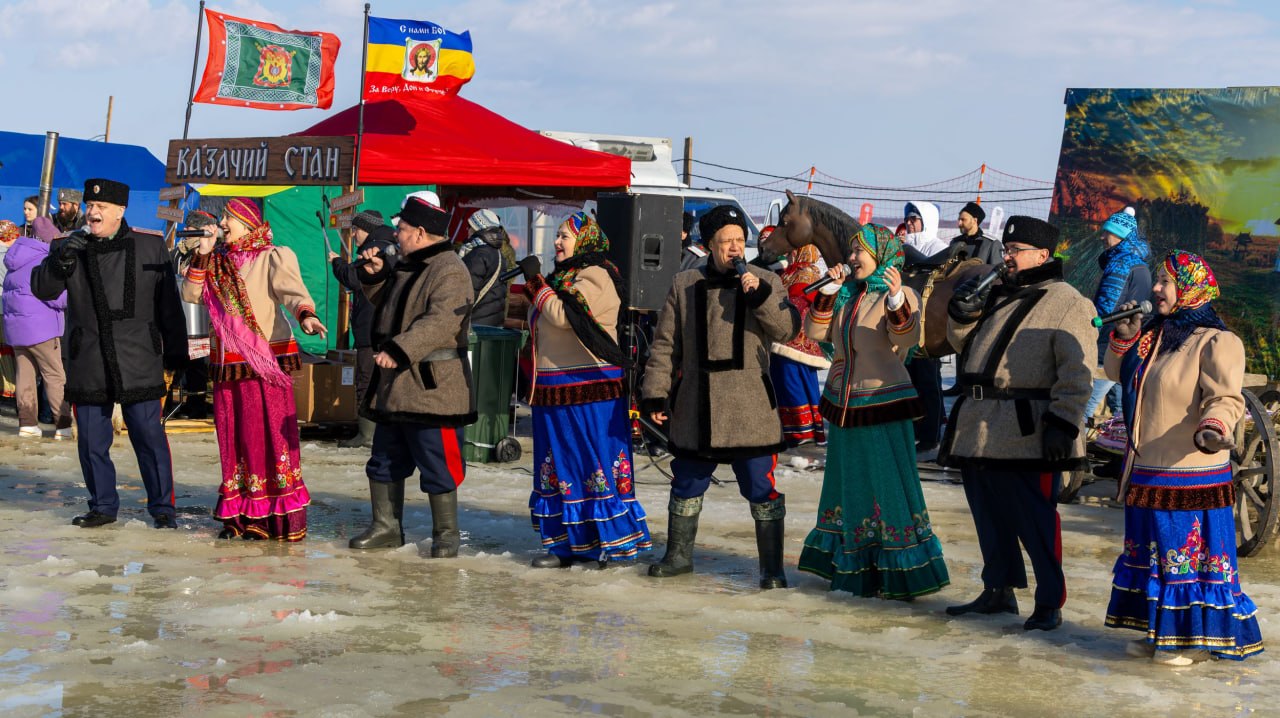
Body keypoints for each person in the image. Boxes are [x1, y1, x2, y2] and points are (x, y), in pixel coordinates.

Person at [1104, 251, 1263, 665]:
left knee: (1184, 564)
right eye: (1157, 280)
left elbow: (1226, 397)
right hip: (1146, 471)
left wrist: (1214, 427)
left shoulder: (1217, 341)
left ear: (1191, 289)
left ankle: (1191, 642)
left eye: (1166, 282)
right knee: (1155, 561)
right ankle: (1162, 633)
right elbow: (1114, 374)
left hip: (1188, 474)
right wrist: (1124, 338)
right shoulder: (1154, 336)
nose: (1156, 288)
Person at [939, 215, 1095, 631]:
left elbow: (1077, 372)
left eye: (1015, 251)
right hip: (979, 428)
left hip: (1029, 431)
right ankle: (998, 590)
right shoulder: (998, 292)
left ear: (1042, 255)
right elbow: (964, 346)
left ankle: (1049, 602)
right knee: (988, 516)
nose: (1006, 257)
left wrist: (1064, 422)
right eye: (1006, 250)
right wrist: (962, 316)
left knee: (1035, 522)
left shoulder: (1068, 301)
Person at [641, 205, 801, 589]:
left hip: (750, 407)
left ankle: (772, 569)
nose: (734, 248)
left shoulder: (766, 279)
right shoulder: (684, 284)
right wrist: (655, 394)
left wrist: (760, 296)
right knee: (686, 481)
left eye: (739, 240)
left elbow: (786, 330)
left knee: (761, 487)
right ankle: (678, 556)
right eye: (726, 241)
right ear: (709, 245)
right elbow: (665, 345)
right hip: (697, 406)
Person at [797, 224, 950, 599]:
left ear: (881, 256)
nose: (851, 258)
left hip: (881, 405)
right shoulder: (848, 295)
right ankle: (857, 562)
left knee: (888, 487)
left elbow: (907, 338)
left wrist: (896, 300)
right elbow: (814, 334)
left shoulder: (900, 294)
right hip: (844, 406)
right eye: (850, 252)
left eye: (858, 252)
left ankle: (901, 570)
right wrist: (829, 292)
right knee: (850, 486)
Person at [31, 178, 187, 529]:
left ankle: (163, 508)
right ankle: (102, 506)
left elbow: (169, 306)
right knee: (90, 441)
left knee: (148, 437)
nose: (93, 212)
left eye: (101, 207)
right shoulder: (67, 246)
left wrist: (176, 353)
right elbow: (41, 289)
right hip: (88, 357)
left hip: (138, 357)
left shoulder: (150, 246)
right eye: (90, 206)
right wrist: (61, 261)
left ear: (120, 210)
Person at [182, 197, 325, 540]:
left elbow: (293, 292)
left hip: (264, 363)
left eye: (228, 218)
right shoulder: (216, 260)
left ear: (247, 222)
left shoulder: (271, 256)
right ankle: (241, 517)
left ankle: (272, 519)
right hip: (228, 364)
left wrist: (306, 315)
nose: (222, 224)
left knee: (267, 439)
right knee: (235, 441)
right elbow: (191, 294)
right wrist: (202, 254)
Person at [519, 211, 652, 568]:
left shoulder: (596, 275)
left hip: (588, 387)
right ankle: (565, 545)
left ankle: (602, 543)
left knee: (590, 465)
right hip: (554, 387)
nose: (557, 242)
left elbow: (564, 316)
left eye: (565, 236)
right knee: (559, 465)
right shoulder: (563, 277)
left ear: (584, 241)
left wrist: (535, 283)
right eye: (557, 235)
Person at [350, 193, 476, 557]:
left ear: (420, 233)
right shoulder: (409, 265)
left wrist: (399, 348)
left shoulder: (449, 270)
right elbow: (390, 308)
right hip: (396, 387)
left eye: (402, 229)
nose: (396, 234)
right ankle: (386, 527)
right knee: (385, 460)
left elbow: (440, 323)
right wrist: (376, 276)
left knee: (438, 463)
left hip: (433, 387)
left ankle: (446, 535)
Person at [330, 209, 397, 448]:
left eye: (356, 229)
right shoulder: (389, 245)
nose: (353, 234)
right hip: (383, 325)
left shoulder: (374, 249)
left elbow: (353, 277)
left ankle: (367, 434)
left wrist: (337, 262)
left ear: (367, 229)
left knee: (366, 379)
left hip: (371, 326)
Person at [3, 216, 71, 439]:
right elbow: (55, 297)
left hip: (16, 329)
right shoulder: (44, 260)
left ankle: (27, 423)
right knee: (54, 375)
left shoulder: (16, 258)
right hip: (42, 329)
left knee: (25, 375)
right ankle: (63, 425)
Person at [1084, 207, 1151, 424]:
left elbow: (1106, 307)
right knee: (1121, 414)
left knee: (1083, 407)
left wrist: (1088, 332)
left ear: (1121, 235)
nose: (1102, 237)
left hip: (1106, 345)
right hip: (1126, 344)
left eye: (1108, 232)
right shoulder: (1141, 265)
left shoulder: (1121, 263)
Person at [767, 229, 830, 447]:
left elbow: (802, 303)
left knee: (793, 382)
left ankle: (804, 430)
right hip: (785, 336)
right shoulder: (789, 272)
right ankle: (795, 429)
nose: (790, 254)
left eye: (794, 250)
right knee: (788, 382)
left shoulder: (807, 274)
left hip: (797, 339)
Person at [457, 209, 510, 328]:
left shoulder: (477, 255)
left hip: (476, 326)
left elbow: (465, 294)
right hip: (493, 323)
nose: (467, 229)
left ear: (477, 228)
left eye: (469, 226)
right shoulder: (497, 254)